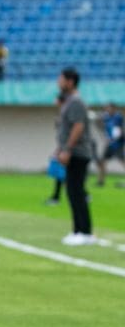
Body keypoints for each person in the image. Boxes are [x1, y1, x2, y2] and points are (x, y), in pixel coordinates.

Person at [56, 67, 95, 245]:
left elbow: (78, 127)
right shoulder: (69, 102)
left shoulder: (76, 102)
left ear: (70, 81)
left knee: (77, 192)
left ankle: (85, 231)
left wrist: (67, 149)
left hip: (78, 153)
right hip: (73, 152)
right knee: (72, 192)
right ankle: (77, 229)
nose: (59, 82)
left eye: (61, 79)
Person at [96, 103, 123, 187]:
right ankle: (101, 181)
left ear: (114, 108)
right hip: (109, 144)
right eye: (107, 108)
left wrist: (117, 137)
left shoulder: (118, 117)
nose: (107, 110)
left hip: (118, 144)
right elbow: (100, 124)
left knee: (122, 161)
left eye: (109, 108)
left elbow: (121, 129)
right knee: (102, 161)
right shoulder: (106, 117)